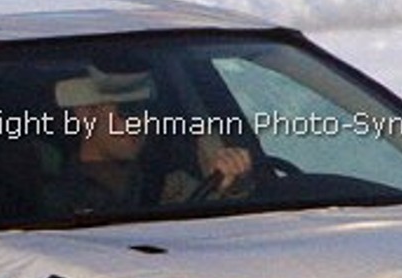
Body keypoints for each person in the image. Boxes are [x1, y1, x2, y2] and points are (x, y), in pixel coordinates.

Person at [41, 67, 253, 217]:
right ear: (85, 113)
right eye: (128, 111)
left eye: (145, 110)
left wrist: (230, 187)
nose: (139, 122)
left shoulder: (167, 182)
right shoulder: (54, 198)